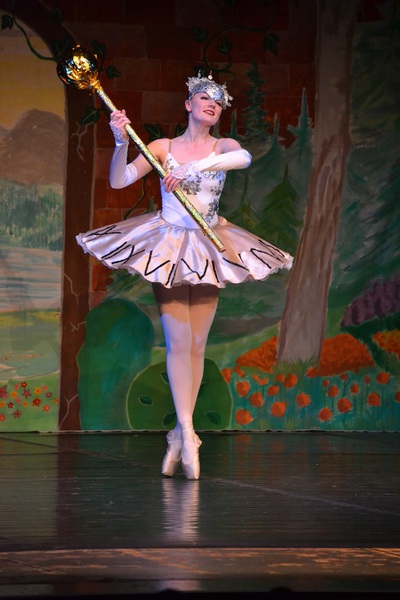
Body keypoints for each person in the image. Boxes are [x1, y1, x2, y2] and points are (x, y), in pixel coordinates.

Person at [76, 73, 293, 480]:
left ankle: (179, 433)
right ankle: (190, 432)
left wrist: (195, 168)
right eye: (204, 97)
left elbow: (243, 159)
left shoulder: (221, 146)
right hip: (171, 247)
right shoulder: (162, 147)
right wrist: (121, 142)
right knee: (178, 343)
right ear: (188, 104)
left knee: (196, 345)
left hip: (208, 245)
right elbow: (119, 180)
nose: (212, 104)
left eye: (219, 101)